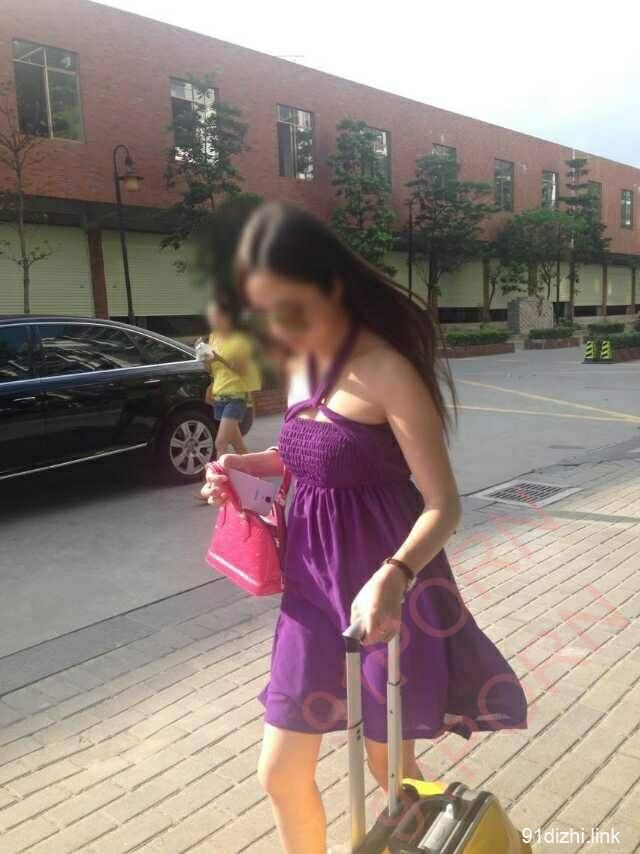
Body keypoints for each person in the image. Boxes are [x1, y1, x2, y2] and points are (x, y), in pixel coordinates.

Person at [202, 203, 527, 854]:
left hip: (383, 597)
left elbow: (443, 504)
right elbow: (311, 452)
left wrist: (395, 575)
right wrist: (247, 466)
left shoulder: (387, 370)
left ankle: (494, 846)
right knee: (279, 772)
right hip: (311, 592)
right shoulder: (303, 363)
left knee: (389, 770)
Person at [201, 295, 261, 457]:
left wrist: (218, 358)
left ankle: (221, 474)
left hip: (237, 396)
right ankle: (252, 471)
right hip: (219, 395)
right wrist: (204, 359)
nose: (212, 319)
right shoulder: (213, 337)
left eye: (216, 315)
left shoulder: (241, 339)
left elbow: (241, 369)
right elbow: (212, 369)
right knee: (238, 446)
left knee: (220, 443)